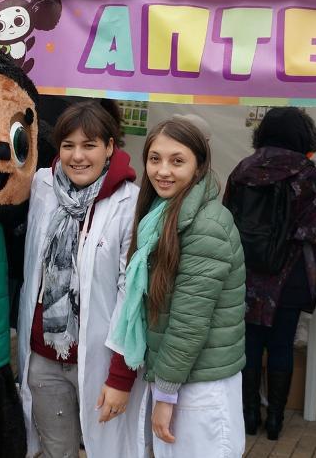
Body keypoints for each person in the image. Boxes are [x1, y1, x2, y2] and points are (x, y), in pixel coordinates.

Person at [18, 100, 146, 458]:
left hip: (100, 360)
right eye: (68, 145)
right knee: (57, 451)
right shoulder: (43, 186)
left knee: (107, 451)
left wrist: (120, 376)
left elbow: (131, 296)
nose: (77, 156)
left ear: (109, 147)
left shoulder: (130, 203)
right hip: (43, 356)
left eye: (89, 145)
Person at [112, 118, 246, 457]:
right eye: (155, 159)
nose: (163, 171)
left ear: (199, 166)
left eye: (177, 161)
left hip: (199, 385)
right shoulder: (163, 213)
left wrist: (166, 395)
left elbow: (189, 323)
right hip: (179, 377)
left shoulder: (206, 225)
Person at [224, 107, 316, 440]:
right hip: (290, 274)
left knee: (248, 345)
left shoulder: (244, 169)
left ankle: (248, 416)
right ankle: (275, 420)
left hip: (245, 273)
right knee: (282, 344)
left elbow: (227, 217)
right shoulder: (310, 176)